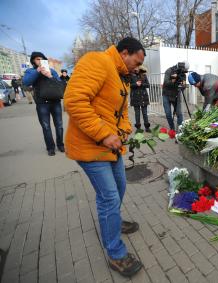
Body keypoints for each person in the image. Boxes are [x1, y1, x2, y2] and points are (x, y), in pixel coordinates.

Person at [64, 37, 145, 277]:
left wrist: (125, 131)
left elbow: (122, 113)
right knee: (109, 196)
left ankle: (114, 222)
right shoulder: (97, 61)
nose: (138, 67)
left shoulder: (122, 75)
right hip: (91, 146)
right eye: (136, 61)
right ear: (124, 52)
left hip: (111, 146)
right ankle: (116, 253)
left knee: (119, 188)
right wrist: (104, 134)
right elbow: (74, 101)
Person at [23, 52, 64, 156]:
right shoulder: (30, 71)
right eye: (37, 59)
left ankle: (60, 144)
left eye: (42, 59)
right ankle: (50, 148)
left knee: (59, 125)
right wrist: (37, 71)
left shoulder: (52, 71)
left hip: (55, 102)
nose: (40, 61)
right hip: (42, 104)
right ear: (33, 61)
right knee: (46, 127)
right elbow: (26, 82)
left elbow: (59, 83)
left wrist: (50, 75)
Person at [162, 61, 189, 130]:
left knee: (179, 113)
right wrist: (173, 80)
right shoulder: (169, 71)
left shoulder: (183, 74)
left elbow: (183, 86)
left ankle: (180, 129)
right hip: (166, 95)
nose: (184, 72)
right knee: (168, 114)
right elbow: (166, 83)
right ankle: (172, 128)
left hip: (176, 94)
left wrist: (183, 86)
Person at [130, 65, 151, 132]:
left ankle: (147, 127)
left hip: (143, 96)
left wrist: (141, 84)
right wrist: (135, 84)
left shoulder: (144, 75)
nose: (136, 68)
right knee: (137, 113)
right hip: (135, 97)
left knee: (145, 113)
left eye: (137, 67)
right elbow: (129, 85)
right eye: (135, 66)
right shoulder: (131, 75)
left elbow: (148, 85)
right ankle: (138, 128)